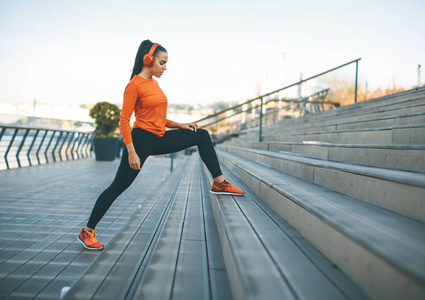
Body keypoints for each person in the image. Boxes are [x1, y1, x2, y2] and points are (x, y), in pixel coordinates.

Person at [78, 40, 244, 250]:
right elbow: (124, 120)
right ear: (148, 60)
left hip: (160, 138)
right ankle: (87, 231)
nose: (165, 67)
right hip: (140, 142)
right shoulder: (134, 85)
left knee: (201, 135)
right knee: (118, 187)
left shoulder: (154, 84)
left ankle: (219, 182)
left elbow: (158, 117)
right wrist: (131, 152)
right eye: (162, 62)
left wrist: (179, 125)